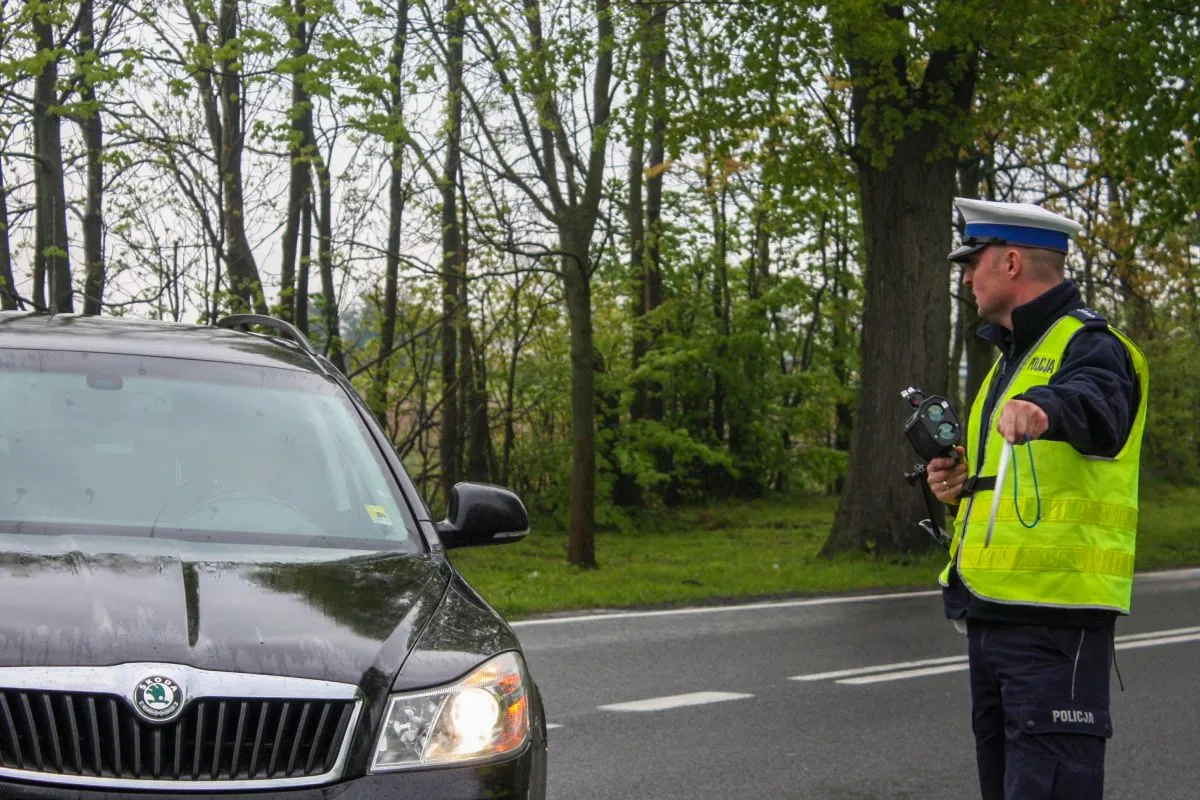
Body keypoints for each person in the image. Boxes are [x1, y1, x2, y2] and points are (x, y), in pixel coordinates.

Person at [926, 197, 1149, 800]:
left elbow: (1097, 402)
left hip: (1055, 626)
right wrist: (958, 488)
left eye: (973, 262)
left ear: (1012, 262)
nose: (967, 277)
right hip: (993, 613)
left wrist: (1046, 408)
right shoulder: (1010, 359)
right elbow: (1020, 479)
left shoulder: (1092, 344)